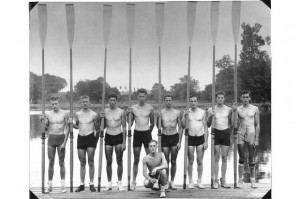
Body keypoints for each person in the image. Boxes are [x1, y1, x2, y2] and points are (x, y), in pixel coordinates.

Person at [40, 96, 70, 193]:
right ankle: (49, 184)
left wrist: (65, 143)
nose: (54, 105)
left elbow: (68, 129)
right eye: (52, 104)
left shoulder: (65, 113)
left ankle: (63, 185)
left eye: (56, 103)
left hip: (61, 138)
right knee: (51, 162)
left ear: (59, 103)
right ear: (51, 104)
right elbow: (45, 128)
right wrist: (42, 121)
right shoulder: (48, 114)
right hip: (51, 138)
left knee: (61, 162)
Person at [127, 88, 155, 190]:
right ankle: (133, 181)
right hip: (137, 133)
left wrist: (148, 131)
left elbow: (152, 123)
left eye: (143, 96)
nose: (141, 98)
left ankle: (153, 180)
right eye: (140, 96)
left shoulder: (150, 108)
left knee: (150, 159)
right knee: (136, 159)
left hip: (147, 133)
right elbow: (129, 123)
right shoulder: (133, 108)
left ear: (146, 97)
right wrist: (128, 114)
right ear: (137, 97)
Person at [232, 90, 260, 189]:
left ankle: (253, 181)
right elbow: (233, 123)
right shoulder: (238, 109)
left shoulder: (255, 109)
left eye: (247, 97)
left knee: (252, 159)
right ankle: (240, 181)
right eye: (243, 97)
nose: (245, 99)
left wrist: (257, 139)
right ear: (241, 98)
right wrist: (233, 111)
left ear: (249, 98)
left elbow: (257, 124)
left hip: (251, 135)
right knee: (242, 158)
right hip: (241, 134)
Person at [100, 93, 126, 191]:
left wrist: (124, 142)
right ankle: (109, 183)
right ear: (108, 101)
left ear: (116, 101)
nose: (112, 102)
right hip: (108, 136)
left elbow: (124, 127)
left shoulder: (121, 112)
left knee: (119, 161)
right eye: (110, 100)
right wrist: (101, 118)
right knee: (109, 161)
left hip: (119, 136)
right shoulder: (105, 111)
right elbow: (102, 127)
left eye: (113, 100)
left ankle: (119, 183)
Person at [207, 91, 233, 189]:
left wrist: (234, 112)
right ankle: (216, 180)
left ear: (224, 98)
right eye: (218, 98)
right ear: (216, 98)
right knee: (216, 158)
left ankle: (224, 180)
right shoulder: (211, 109)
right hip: (216, 133)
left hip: (226, 133)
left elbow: (232, 123)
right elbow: (208, 124)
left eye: (222, 97)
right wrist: (210, 116)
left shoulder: (229, 109)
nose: (220, 99)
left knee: (225, 158)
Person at [73, 95, 100, 192]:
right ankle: (81, 184)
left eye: (86, 101)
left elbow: (98, 130)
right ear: (81, 102)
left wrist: (95, 142)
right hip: (81, 138)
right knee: (82, 162)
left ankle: (92, 184)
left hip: (90, 138)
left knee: (91, 161)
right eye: (83, 101)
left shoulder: (94, 115)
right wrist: (71, 123)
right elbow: (76, 126)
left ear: (89, 102)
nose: (85, 103)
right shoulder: (77, 114)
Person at [182, 95, 208, 189]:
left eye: (194, 101)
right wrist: (185, 116)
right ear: (189, 103)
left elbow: (205, 127)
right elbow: (184, 125)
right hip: (190, 138)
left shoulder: (202, 112)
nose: (193, 103)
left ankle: (199, 181)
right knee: (191, 160)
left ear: (197, 102)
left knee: (200, 160)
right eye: (191, 101)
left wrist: (206, 141)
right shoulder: (186, 112)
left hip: (200, 138)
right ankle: (190, 181)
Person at [158, 93, 183, 190]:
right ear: (164, 101)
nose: (168, 102)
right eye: (166, 100)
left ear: (172, 101)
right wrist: (158, 117)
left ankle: (172, 181)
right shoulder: (161, 112)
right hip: (164, 137)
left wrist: (179, 141)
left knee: (173, 160)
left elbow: (180, 127)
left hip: (174, 137)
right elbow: (158, 126)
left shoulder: (177, 112)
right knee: (165, 161)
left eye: (170, 100)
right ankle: (166, 181)